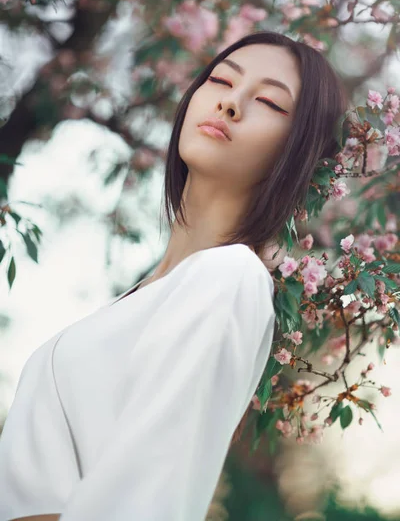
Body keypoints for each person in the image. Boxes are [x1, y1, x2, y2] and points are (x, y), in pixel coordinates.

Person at [0, 31, 348, 521]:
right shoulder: (150, 295)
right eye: (221, 80)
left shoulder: (229, 277)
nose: (231, 102)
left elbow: (144, 501)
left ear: (299, 152)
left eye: (269, 101)